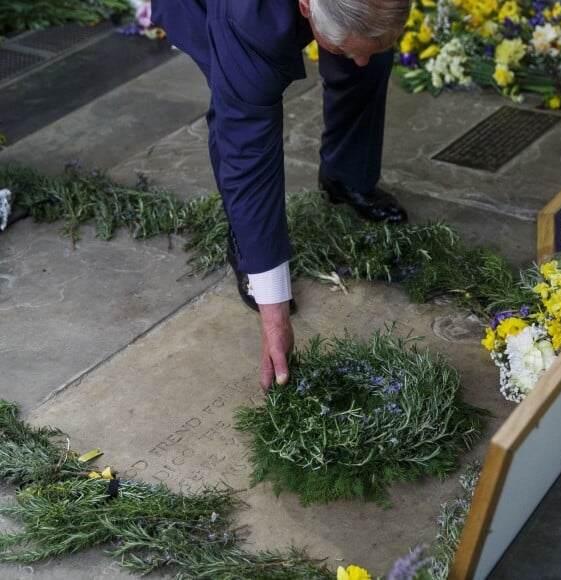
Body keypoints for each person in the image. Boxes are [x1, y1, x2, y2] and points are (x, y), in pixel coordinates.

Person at [151, 0, 411, 391]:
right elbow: (249, 153)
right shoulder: (247, 22)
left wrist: (361, 44)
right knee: (236, 98)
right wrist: (274, 314)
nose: (355, 62)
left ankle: (347, 174)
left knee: (369, 52)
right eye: (340, 50)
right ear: (305, 7)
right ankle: (247, 247)